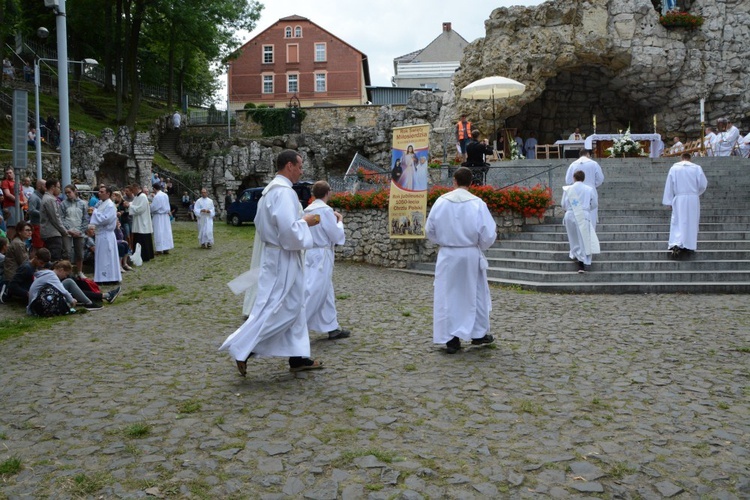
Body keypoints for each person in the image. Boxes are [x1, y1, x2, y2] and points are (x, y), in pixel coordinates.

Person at [219, 149, 323, 376]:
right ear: (289, 166)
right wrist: (306, 222)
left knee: (295, 307)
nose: (302, 170)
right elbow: (288, 231)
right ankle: (244, 348)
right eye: (300, 166)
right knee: (283, 308)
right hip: (284, 258)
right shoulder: (283, 193)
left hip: (276, 256)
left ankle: (298, 357)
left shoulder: (269, 191)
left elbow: (263, 222)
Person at [425, 167, 497, 354]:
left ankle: (451, 339)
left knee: (447, 296)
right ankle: (478, 333)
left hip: (448, 255)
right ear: (471, 183)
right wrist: (477, 245)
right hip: (470, 254)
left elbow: (429, 230)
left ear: (454, 181)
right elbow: (488, 234)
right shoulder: (477, 204)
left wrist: (443, 242)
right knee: (475, 294)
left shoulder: (441, 202)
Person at [303, 181, 350, 340]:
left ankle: (332, 326)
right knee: (316, 290)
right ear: (328, 192)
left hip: (310, 252)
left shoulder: (307, 209)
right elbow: (335, 235)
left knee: (326, 290)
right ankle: (296, 325)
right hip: (322, 254)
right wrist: (340, 221)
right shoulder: (326, 210)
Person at [662, 152, 708, 257]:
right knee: (691, 221)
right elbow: (703, 184)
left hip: (679, 198)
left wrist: (669, 201)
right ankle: (689, 245)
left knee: (678, 221)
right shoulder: (696, 168)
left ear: (681, 158)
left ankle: (676, 243)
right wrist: (695, 193)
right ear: (690, 159)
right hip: (692, 198)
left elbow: (669, 185)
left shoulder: (674, 168)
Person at [562, 170, 600, 273]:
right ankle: (582, 262)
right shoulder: (589, 189)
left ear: (573, 178)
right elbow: (595, 204)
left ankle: (575, 254)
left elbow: (563, 205)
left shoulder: (568, 189)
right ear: (583, 179)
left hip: (570, 214)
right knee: (583, 239)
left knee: (573, 237)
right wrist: (586, 208)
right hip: (583, 215)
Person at [89, 185, 122, 284]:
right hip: (100, 234)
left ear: (108, 194)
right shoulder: (100, 203)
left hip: (106, 234)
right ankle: (102, 277)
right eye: (99, 191)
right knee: (101, 257)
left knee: (107, 256)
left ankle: (109, 277)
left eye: (102, 191)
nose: (99, 193)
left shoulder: (110, 205)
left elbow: (106, 219)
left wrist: (94, 213)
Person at [565, 150, 604, 229]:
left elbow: (568, 180)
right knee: (591, 216)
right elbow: (600, 179)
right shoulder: (594, 164)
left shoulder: (573, 164)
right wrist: (592, 184)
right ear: (588, 154)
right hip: (590, 190)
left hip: (576, 191)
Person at [61, 184, 89, 279]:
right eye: (66, 193)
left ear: (75, 191)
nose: (68, 194)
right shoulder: (63, 204)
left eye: (69, 192)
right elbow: (61, 218)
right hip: (68, 231)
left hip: (79, 231)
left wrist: (80, 231)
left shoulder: (83, 204)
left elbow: (85, 219)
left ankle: (79, 271)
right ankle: (68, 271)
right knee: (67, 252)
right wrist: (68, 230)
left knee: (80, 252)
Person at [40, 179, 68, 261]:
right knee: (55, 258)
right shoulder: (50, 200)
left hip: (50, 232)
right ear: (53, 187)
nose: (60, 190)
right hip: (52, 233)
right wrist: (64, 231)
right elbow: (55, 218)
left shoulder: (48, 198)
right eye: (58, 187)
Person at [128, 182, 155, 262]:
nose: (132, 192)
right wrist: (129, 204)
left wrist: (130, 206)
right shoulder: (137, 197)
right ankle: (138, 255)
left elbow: (140, 209)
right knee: (137, 239)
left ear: (136, 188)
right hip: (138, 222)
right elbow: (134, 204)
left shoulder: (143, 196)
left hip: (143, 222)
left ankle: (145, 256)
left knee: (143, 240)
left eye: (132, 190)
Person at [150, 183, 174, 255]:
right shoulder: (165, 195)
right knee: (166, 231)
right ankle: (166, 248)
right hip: (165, 216)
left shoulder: (157, 196)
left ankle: (159, 249)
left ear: (154, 189)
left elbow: (154, 207)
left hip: (159, 216)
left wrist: (150, 206)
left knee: (159, 232)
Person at [2, 168, 24, 238]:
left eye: (10, 172)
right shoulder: (5, 182)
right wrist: (19, 201)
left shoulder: (18, 182)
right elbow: (7, 194)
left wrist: (25, 201)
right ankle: (10, 243)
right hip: (10, 206)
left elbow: (22, 194)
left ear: (14, 173)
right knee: (12, 226)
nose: (9, 174)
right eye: (7, 173)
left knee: (21, 225)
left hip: (19, 206)